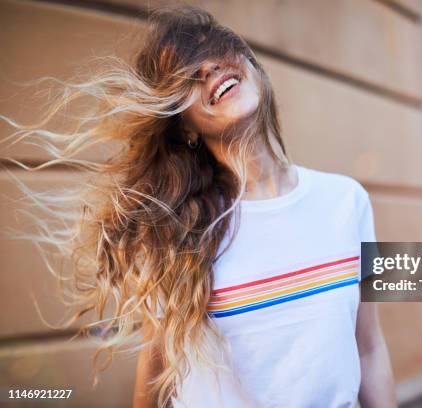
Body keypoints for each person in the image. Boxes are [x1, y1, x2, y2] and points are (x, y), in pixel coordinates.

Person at [5, 6, 395, 407]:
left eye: (218, 53)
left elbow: (369, 350)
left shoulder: (347, 201)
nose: (208, 69)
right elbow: (157, 374)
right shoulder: (181, 230)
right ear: (186, 126)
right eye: (189, 75)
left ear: (256, 70)